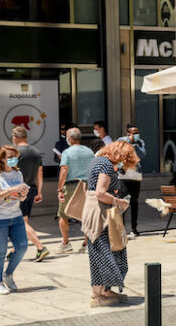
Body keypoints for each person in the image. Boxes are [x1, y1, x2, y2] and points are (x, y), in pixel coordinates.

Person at [81, 141, 137, 307]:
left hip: (98, 213)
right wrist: (119, 202)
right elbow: (100, 192)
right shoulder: (105, 165)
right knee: (103, 254)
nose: (123, 163)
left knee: (106, 252)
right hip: (101, 216)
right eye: (125, 159)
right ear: (119, 154)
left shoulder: (98, 160)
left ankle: (104, 291)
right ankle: (97, 295)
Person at [0, 145, 29, 294]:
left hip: (15, 216)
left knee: (22, 247)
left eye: (14, 156)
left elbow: (20, 198)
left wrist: (23, 194)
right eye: (10, 157)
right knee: (0, 252)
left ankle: (8, 274)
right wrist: (10, 190)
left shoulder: (18, 174)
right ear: (2, 159)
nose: (13, 159)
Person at [10, 126, 49, 262]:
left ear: (15, 137)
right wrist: (39, 191)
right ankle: (15, 250)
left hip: (17, 191)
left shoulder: (15, 152)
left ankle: (40, 247)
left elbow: (9, 171)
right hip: (31, 189)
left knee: (20, 222)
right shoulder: (36, 152)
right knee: (24, 220)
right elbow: (40, 173)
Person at [57, 127, 94, 253]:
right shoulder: (89, 152)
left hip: (71, 185)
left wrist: (59, 189)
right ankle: (86, 243)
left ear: (70, 139)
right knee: (85, 215)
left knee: (63, 214)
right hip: (87, 185)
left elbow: (63, 170)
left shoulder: (67, 152)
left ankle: (65, 243)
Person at [117, 124, 147, 237]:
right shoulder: (121, 141)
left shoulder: (140, 143)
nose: (136, 135)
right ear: (128, 133)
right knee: (123, 202)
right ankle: (121, 229)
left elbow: (142, 154)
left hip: (135, 176)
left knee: (134, 201)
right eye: (134, 133)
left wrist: (134, 145)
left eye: (137, 133)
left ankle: (134, 228)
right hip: (123, 176)